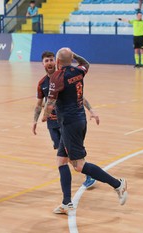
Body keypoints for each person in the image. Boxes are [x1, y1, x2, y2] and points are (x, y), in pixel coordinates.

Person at [42, 48, 128, 214]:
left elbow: (51, 102)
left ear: (58, 62)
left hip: (69, 124)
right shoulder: (79, 71)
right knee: (61, 161)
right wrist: (74, 56)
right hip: (78, 119)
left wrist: (45, 116)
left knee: (79, 166)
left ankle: (118, 184)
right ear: (71, 59)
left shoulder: (57, 77)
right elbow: (86, 63)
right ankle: (67, 202)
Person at [33, 51, 99, 189]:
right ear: (43, 64)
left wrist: (91, 109)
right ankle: (82, 172)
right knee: (61, 151)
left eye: (51, 60)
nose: (49, 63)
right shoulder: (42, 83)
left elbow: (79, 97)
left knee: (68, 152)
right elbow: (39, 104)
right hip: (52, 124)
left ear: (55, 61)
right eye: (46, 61)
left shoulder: (62, 77)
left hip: (66, 121)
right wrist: (35, 121)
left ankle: (87, 173)